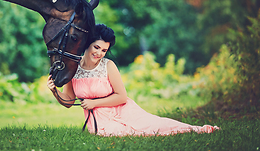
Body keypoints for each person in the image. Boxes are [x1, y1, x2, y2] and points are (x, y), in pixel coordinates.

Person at [47, 24, 219, 136]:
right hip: (98, 121)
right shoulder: (74, 67)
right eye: (96, 47)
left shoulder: (108, 66)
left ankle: (197, 130)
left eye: (104, 50)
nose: (99, 53)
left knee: (155, 127)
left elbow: (122, 96)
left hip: (123, 110)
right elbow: (69, 101)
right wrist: (55, 91)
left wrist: (94, 104)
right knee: (118, 133)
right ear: (88, 44)